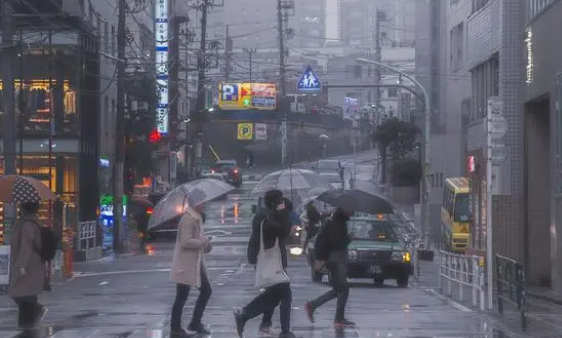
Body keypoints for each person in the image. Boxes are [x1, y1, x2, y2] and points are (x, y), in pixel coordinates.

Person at [234, 190, 296, 338]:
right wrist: (285, 214)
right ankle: (285, 332)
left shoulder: (267, 215)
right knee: (285, 294)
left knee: (274, 296)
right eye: (280, 201)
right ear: (274, 203)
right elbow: (281, 231)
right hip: (270, 262)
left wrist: (284, 212)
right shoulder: (265, 218)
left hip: (271, 261)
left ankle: (245, 315)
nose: (282, 204)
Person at [304, 207, 355, 328]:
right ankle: (338, 318)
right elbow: (337, 242)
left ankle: (312, 306)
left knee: (338, 290)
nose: (352, 211)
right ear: (344, 210)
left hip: (337, 259)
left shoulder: (339, 222)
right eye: (350, 209)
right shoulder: (336, 223)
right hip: (335, 260)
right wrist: (349, 238)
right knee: (343, 289)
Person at [170, 203, 213, 337]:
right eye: (202, 202)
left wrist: (206, 245)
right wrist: (203, 242)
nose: (205, 204)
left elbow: (197, 240)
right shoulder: (188, 219)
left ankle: (194, 323)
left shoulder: (197, 218)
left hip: (195, 263)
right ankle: (176, 329)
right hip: (186, 264)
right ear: (195, 204)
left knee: (205, 291)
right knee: (183, 296)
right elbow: (185, 241)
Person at [9, 201, 48, 329]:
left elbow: (26, 247)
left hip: (28, 266)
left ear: (25, 208)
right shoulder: (27, 223)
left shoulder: (28, 225)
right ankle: (31, 318)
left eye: (21, 206)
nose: (19, 207)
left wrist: (21, 265)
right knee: (25, 294)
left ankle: (33, 315)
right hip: (32, 265)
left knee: (19, 293)